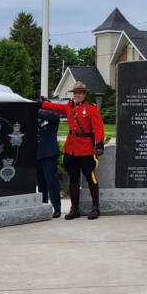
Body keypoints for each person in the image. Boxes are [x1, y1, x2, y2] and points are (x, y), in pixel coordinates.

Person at [40, 81, 106, 220]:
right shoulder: (69, 106)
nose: (77, 95)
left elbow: (98, 127)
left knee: (90, 177)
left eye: (80, 92)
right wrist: (40, 104)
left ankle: (95, 208)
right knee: (73, 177)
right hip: (71, 148)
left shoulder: (91, 108)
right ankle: (74, 208)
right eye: (75, 92)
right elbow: (56, 107)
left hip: (86, 148)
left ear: (84, 94)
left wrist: (99, 145)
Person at [36, 109, 63, 218]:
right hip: (38, 154)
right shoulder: (37, 119)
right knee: (41, 183)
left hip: (49, 154)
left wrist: (37, 109)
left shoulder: (52, 118)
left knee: (52, 182)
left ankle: (57, 208)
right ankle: (44, 206)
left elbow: (55, 117)